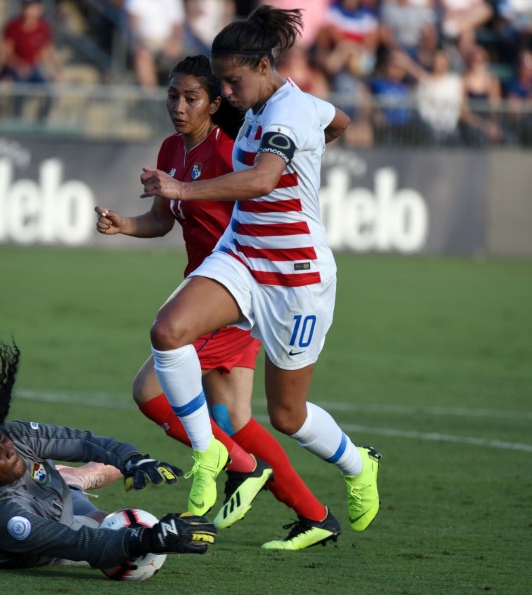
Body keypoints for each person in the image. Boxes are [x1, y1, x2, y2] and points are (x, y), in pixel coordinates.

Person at [139, 6, 381, 535]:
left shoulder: (288, 113)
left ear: (263, 65)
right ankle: (209, 455)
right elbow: (338, 120)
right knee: (168, 331)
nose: (224, 93)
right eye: (220, 81)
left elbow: (263, 179)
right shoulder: (268, 103)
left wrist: (180, 189)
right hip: (243, 255)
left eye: (232, 80)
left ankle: (360, 466)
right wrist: (314, 151)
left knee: (287, 417)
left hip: (296, 276)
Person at [95, 54, 341, 551]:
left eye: (192, 98)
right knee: (237, 418)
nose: (179, 107)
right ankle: (316, 515)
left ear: (215, 102)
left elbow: (265, 191)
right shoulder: (171, 148)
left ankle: (240, 467)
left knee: (151, 391)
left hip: (235, 293)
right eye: (172, 96)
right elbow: (164, 221)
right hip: (206, 290)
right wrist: (125, 224)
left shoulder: (234, 150)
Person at [0, 317, 217, 570]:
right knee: (106, 527)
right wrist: (149, 540)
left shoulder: (14, 438)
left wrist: (130, 458)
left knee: (111, 469)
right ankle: (69, 482)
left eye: (2, 442)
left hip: (46, 494)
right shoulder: (1, 515)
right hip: (42, 539)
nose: (9, 450)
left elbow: (83, 442)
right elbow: (75, 542)